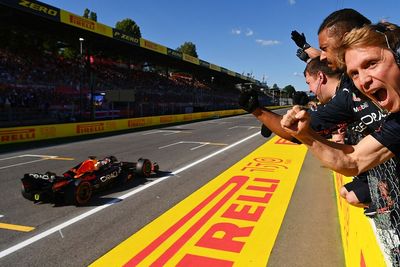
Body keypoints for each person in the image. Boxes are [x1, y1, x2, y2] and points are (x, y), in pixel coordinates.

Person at [280, 21, 400, 181]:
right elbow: (354, 161)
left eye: (371, 64)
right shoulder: (396, 123)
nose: (363, 81)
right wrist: (305, 135)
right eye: (354, 73)